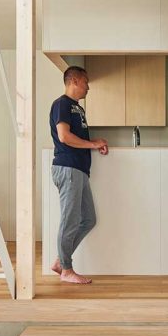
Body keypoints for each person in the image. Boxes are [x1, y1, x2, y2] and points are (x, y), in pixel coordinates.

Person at [49, 66, 108, 284]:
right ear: (73, 80)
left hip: (79, 170)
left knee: (88, 219)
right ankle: (66, 270)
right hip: (68, 168)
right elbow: (64, 137)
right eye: (85, 82)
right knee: (70, 221)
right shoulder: (62, 104)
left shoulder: (77, 109)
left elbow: (76, 138)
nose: (88, 87)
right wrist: (93, 144)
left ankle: (60, 262)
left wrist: (94, 145)